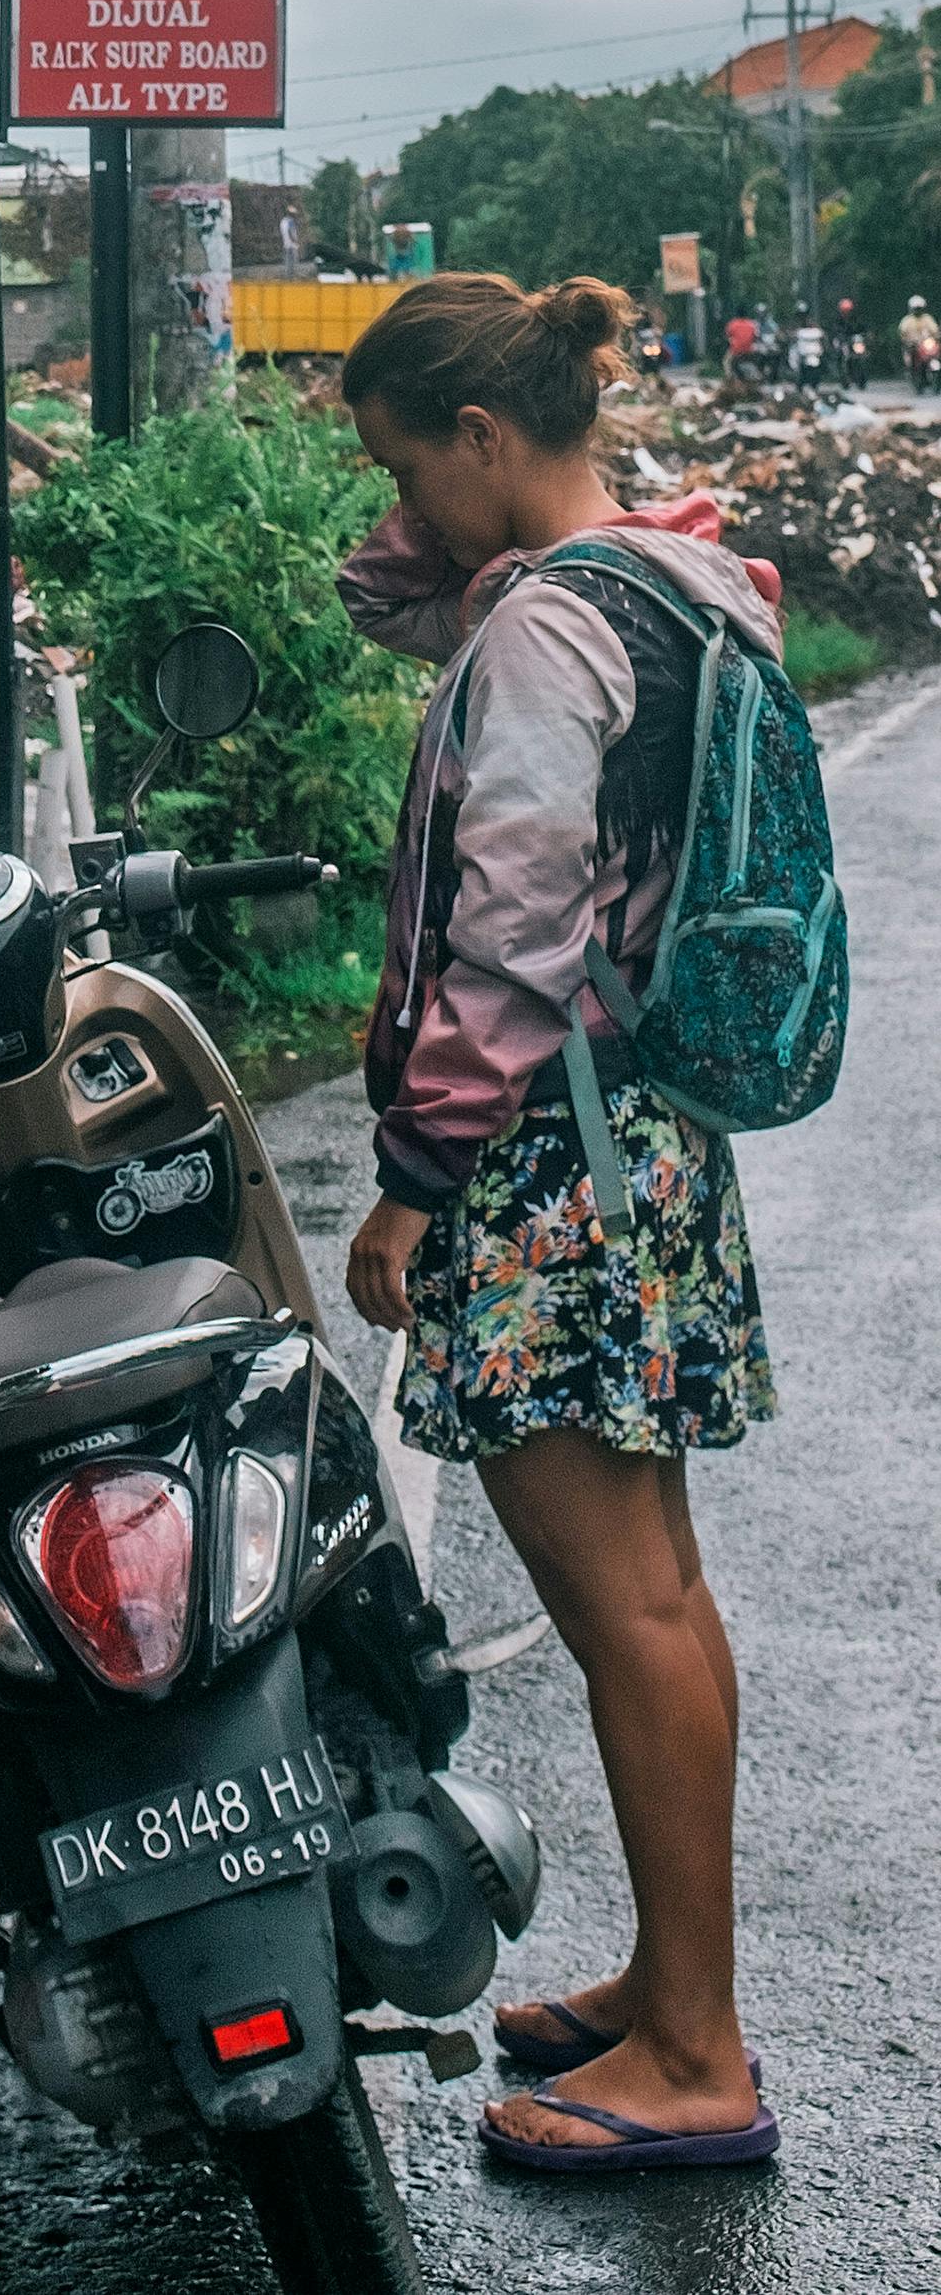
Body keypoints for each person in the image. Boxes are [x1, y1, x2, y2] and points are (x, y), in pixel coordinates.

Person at [336, 270, 781, 2180]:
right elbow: (392, 590)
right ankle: (677, 1991)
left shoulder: (539, 641)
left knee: (626, 1615)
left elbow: (511, 936)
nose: (401, 517)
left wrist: (417, 1186)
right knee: (658, 1598)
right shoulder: (673, 578)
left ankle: (695, 2052)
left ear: (485, 440)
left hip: (542, 1160)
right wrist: (448, 511)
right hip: (646, 1143)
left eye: (409, 469)